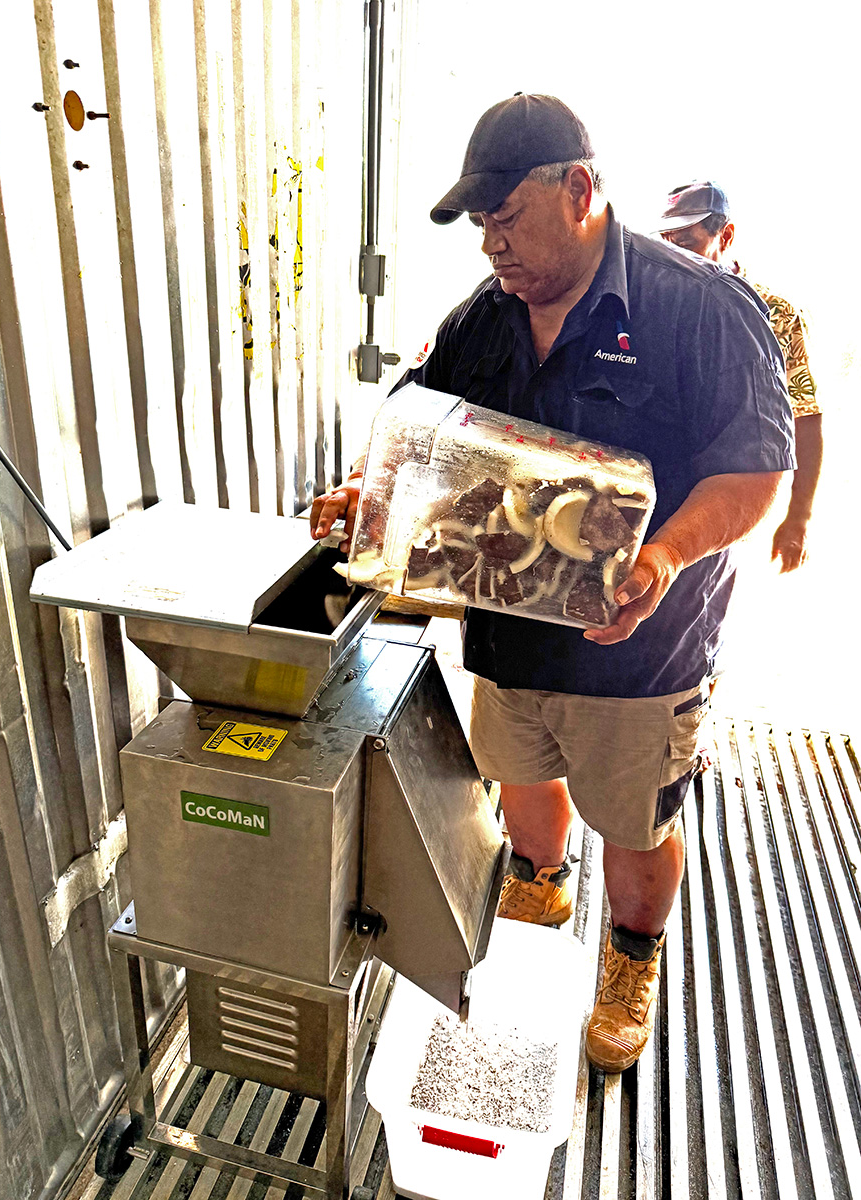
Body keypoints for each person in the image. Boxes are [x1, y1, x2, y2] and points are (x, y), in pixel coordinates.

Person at [311, 94, 794, 1073]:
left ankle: (630, 953)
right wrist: (374, 491)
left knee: (633, 821)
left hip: (640, 653)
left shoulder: (699, 306)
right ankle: (538, 879)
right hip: (509, 638)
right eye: (481, 226)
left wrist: (662, 557)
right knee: (524, 784)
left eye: (507, 219)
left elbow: (757, 475)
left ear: (578, 190)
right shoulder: (483, 321)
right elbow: (427, 438)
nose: (493, 246)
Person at [655, 181, 822, 572]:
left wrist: (799, 518)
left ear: (725, 236)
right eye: (665, 240)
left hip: (720, 509)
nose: (671, 253)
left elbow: (805, 417)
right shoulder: (651, 300)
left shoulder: (774, 314)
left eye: (685, 241)